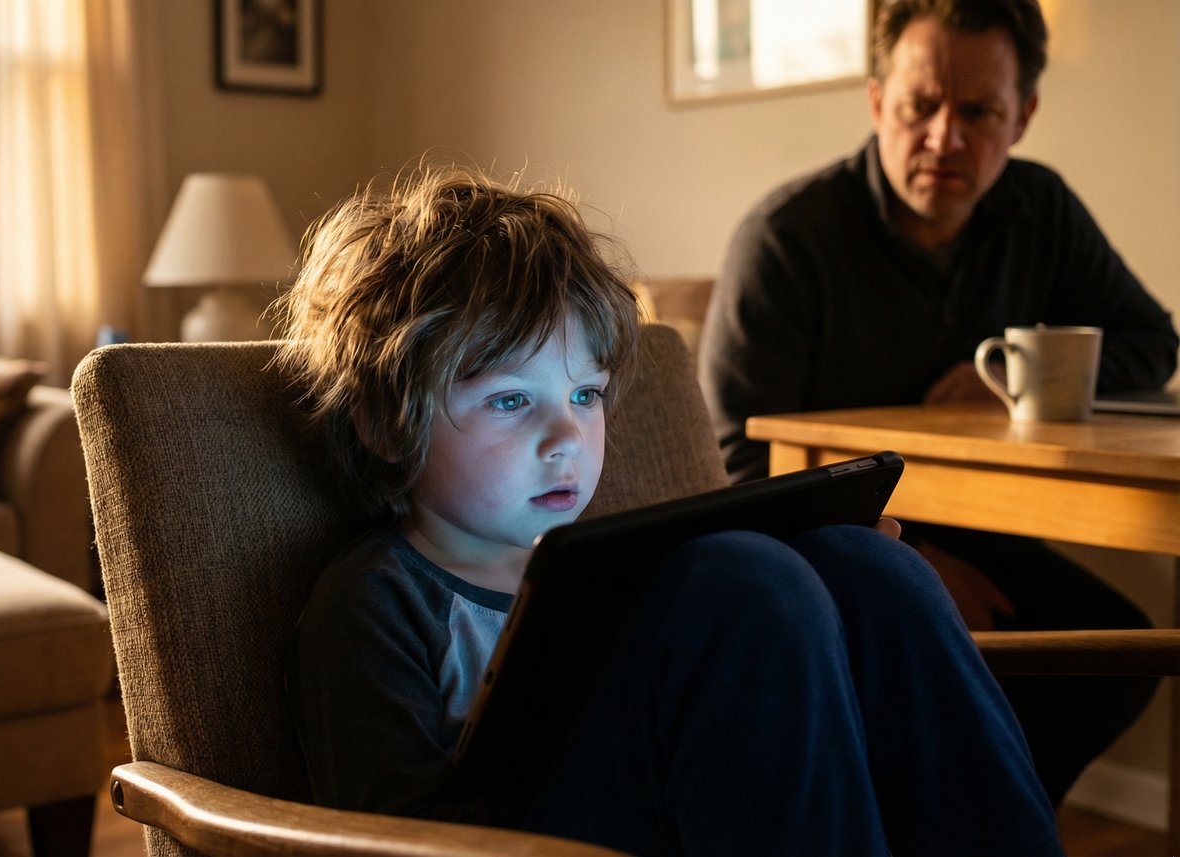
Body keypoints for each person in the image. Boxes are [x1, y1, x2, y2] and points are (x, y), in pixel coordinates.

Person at [279, 163, 1063, 855]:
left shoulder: (612, 565)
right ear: (385, 424)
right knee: (738, 577)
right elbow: (389, 839)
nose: (567, 435)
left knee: (863, 563)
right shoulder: (376, 602)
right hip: (531, 843)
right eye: (512, 399)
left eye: (584, 394)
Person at [698, 0, 1179, 808]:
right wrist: (910, 560)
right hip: (822, 546)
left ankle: (979, 818)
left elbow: (1153, 342)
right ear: (878, 100)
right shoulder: (787, 238)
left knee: (1120, 653)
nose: (945, 138)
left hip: (980, 524)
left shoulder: (1039, 209)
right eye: (921, 106)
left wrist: (1026, 376)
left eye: (978, 111)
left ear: (1022, 116)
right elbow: (729, 458)